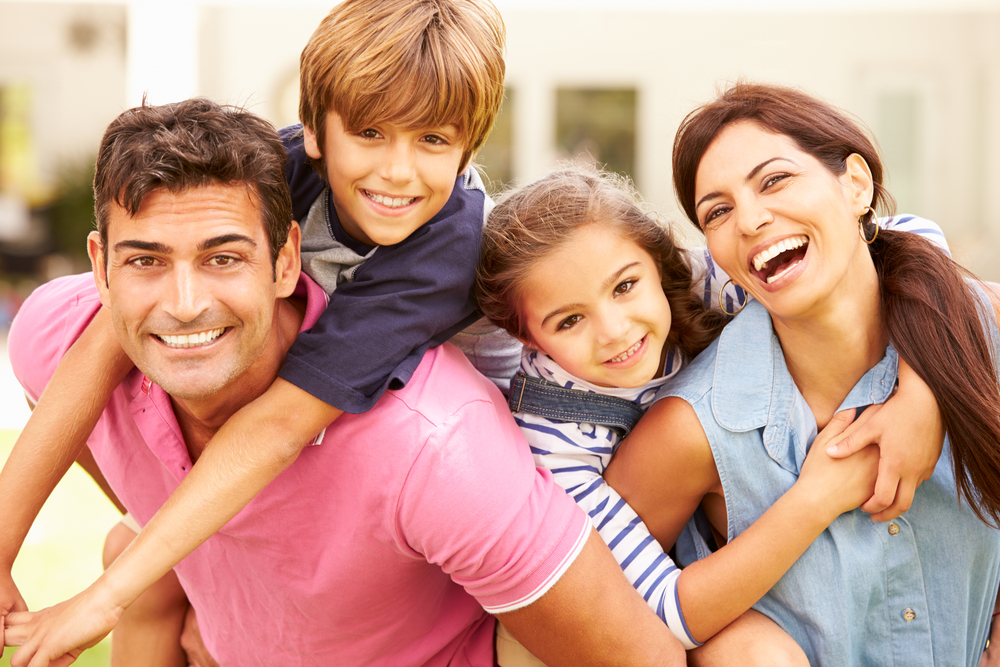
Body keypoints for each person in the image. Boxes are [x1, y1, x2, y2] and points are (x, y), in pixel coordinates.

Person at [2, 98, 684, 667]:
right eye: (146, 260)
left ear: (285, 259)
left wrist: (107, 597)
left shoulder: (437, 448)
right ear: (100, 266)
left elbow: (643, 657)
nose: (184, 302)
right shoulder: (51, 342)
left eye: (224, 257)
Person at [0, 0, 522, 663]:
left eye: (433, 140)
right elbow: (102, 340)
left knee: (141, 570)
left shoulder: (444, 252)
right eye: (369, 132)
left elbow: (280, 424)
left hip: (483, 458)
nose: (397, 170)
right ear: (313, 131)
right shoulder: (276, 166)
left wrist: (97, 601)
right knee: (136, 556)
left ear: (467, 146)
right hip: (326, 444)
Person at [474, 167, 950, 664]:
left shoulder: (698, 282)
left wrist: (921, 394)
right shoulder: (552, 441)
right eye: (569, 321)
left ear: (658, 265)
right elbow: (661, 612)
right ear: (526, 337)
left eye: (625, 286)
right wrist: (817, 498)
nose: (614, 331)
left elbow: (911, 236)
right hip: (611, 613)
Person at [602, 82, 1000, 665]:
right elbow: (595, 607)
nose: (751, 219)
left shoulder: (981, 332)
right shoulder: (697, 427)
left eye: (775, 180)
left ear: (856, 185)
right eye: (718, 211)